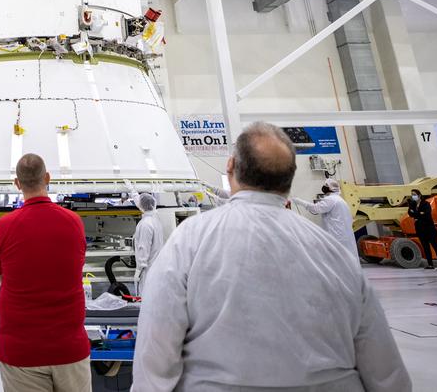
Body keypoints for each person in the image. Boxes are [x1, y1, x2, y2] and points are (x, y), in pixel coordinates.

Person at [134, 123, 411, 392]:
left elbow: (156, 351)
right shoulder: (335, 253)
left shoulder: (189, 239)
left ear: (230, 167)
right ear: (290, 178)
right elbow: (387, 374)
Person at [0, 153, 90, 392]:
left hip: (21, 351)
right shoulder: (74, 221)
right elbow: (74, 266)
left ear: (17, 183)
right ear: (47, 178)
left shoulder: (5, 225)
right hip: (69, 348)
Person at [294, 177, 359, 261]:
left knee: (335, 259)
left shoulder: (331, 199)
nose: (323, 187)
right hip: (343, 235)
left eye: (326, 185)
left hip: (336, 235)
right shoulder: (340, 200)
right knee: (346, 259)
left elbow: (315, 209)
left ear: (330, 188)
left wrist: (299, 201)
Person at [133, 192, 165, 296]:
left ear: (142, 206)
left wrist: (139, 270)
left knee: (146, 300)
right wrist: (133, 191)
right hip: (155, 267)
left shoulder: (145, 224)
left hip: (147, 270)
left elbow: (144, 248)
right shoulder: (155, 221)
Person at [407, 189, 437, 271]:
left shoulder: (426, 204)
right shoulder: (412, 204)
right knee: (426, 247)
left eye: (414, 194)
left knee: (436, 247)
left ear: (419, 195)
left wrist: (416, 214)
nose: (413, 196)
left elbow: (427, 215)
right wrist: (420, 213)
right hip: (420, 229)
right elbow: (410, 213)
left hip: (429, 229)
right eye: (412, 194)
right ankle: (430, 264)